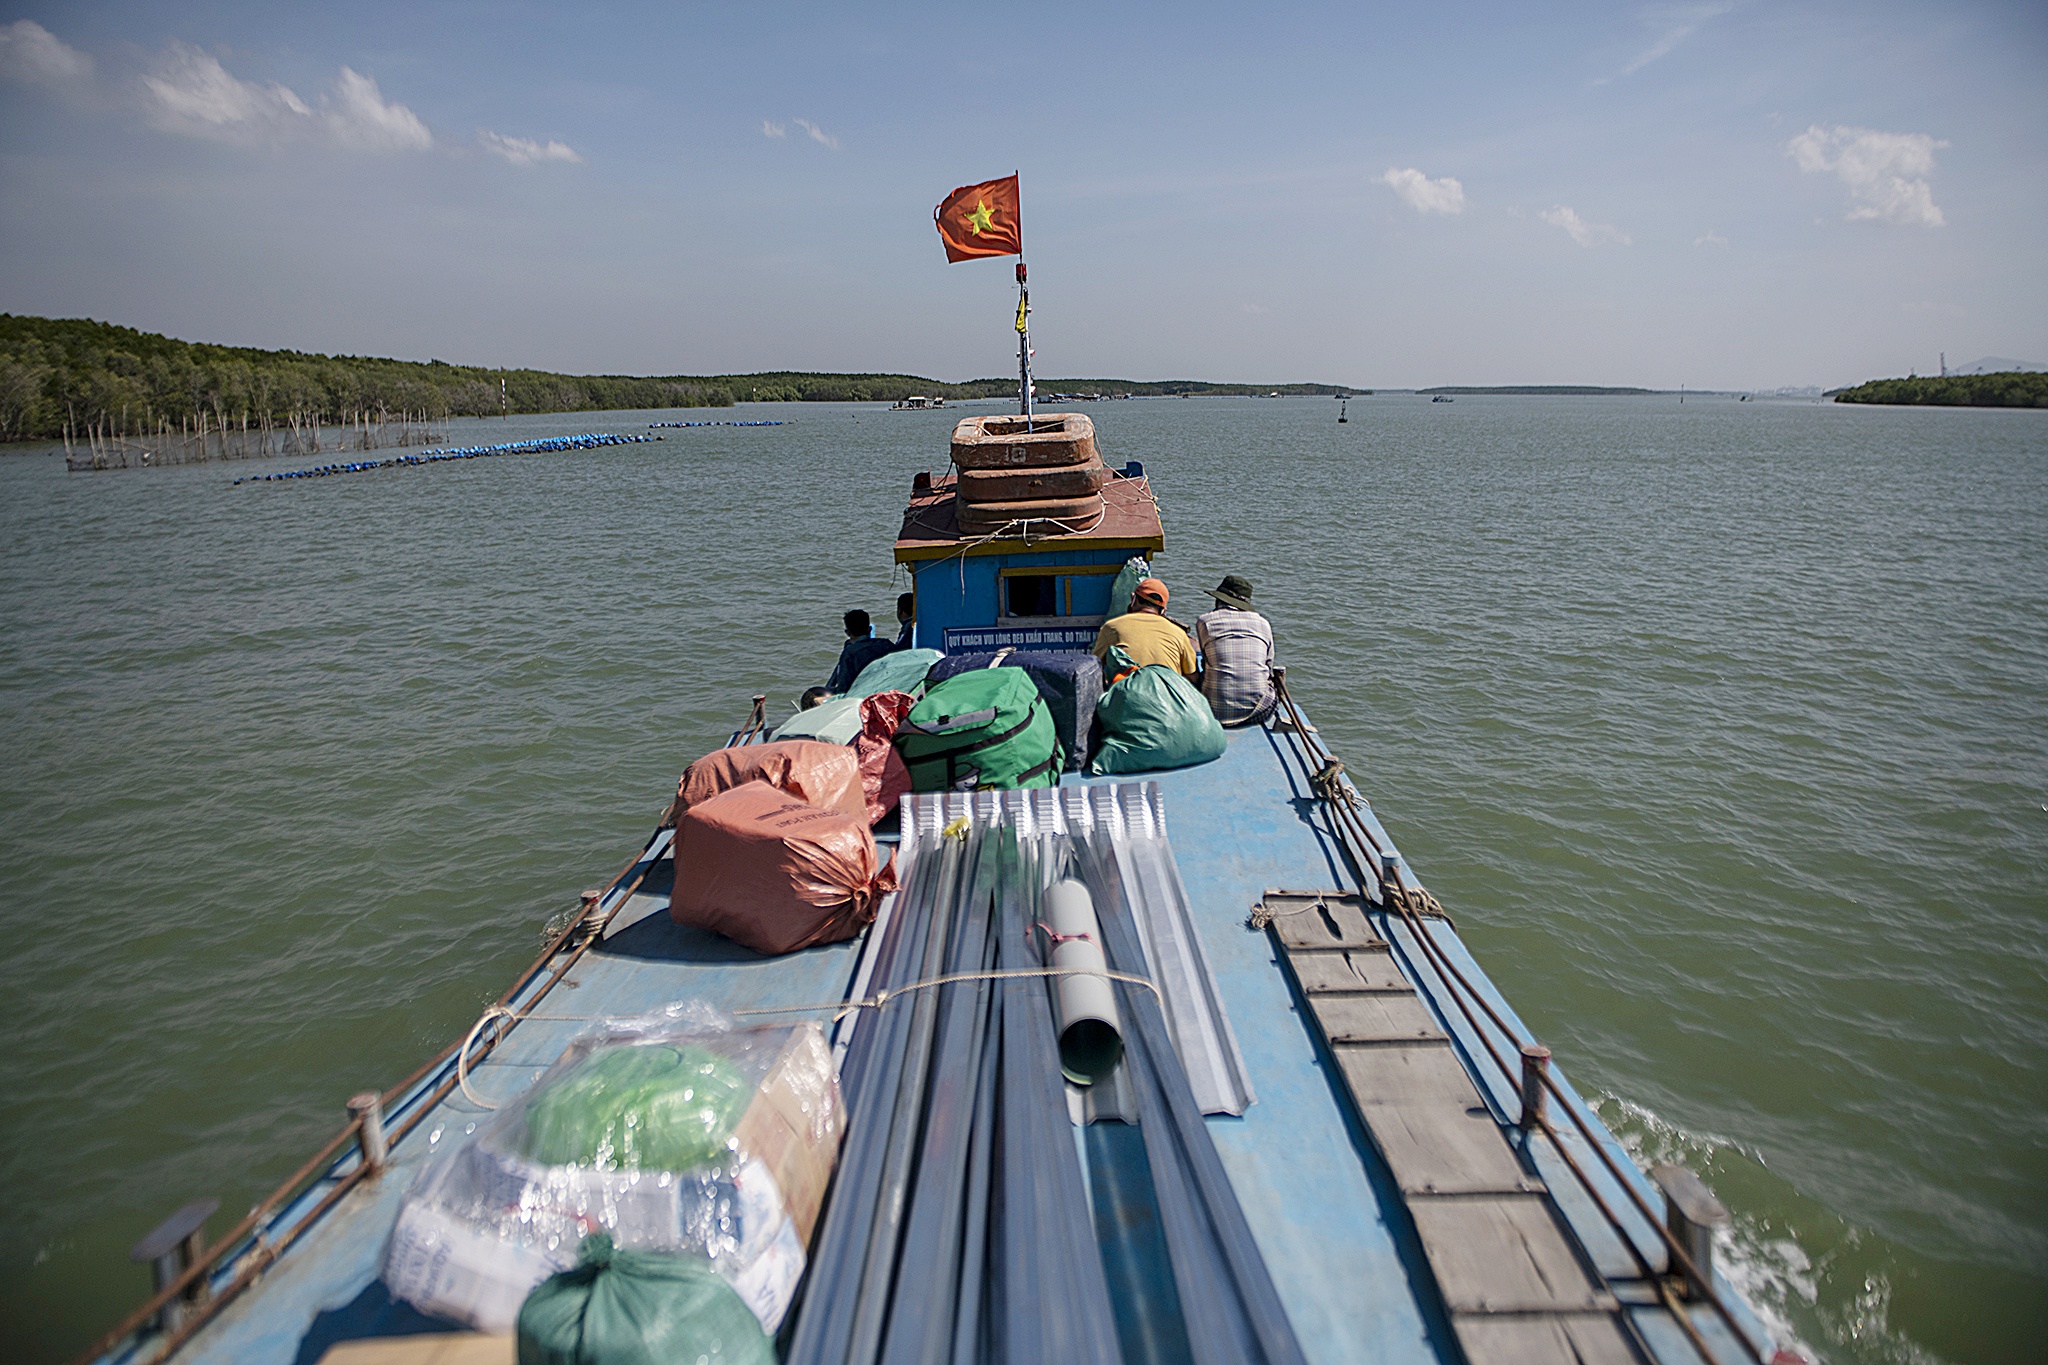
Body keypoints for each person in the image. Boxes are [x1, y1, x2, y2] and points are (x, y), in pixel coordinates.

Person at [1193, 574, 1276, 726]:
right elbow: (1268, 666)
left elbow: (1207, 661)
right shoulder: (1263, 623)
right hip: (1259, 711)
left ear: (1218, 600)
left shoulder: (1205, 621)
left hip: (1214, 712)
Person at [1091, 577, 1196, 681]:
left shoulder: (1112, 627)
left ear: (1133, 599)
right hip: (1165, 696)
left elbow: (1094, 667)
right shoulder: (1178, 633)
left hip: (1128, 695)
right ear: (1163, 610)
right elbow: (1192, 677)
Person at [825, 609, 895, 693]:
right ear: (869, 629)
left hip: (863, 693)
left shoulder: (850, 653)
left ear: (847, 632)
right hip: (889, 687)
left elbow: (843, 687)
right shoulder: (886, 644)